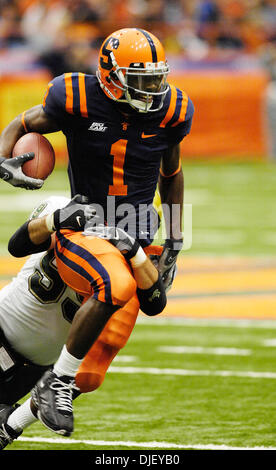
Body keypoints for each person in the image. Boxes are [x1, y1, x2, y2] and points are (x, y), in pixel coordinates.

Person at [0, 28, 194, 440]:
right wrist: (5, 158)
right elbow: (25, 121)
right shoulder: (76, 98)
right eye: (141, 80)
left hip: (134, 233)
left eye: (157, 78)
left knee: (88, 374)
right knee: (114, 284)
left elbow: (171, 172)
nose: (153, 89)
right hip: (85, 223)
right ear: (110, 76)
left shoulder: (173, 108)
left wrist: (174, 243)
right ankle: (52, 385)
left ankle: (14, 422)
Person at [0, 193, 167, 449]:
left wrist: (13, 424)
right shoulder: (66, 209)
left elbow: (83, 376)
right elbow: (17, 245)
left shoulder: (136, 266)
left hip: (33, 372)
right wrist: (55, 220)